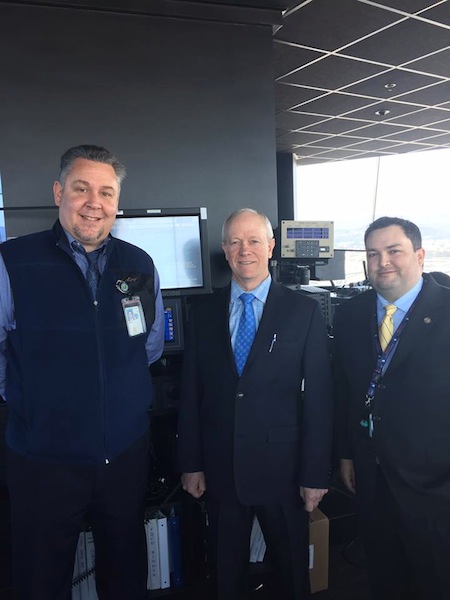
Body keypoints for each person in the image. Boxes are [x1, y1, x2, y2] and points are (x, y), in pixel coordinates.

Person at [0, 144, 165, 599]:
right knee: (41, 577)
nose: (95, 202)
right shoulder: (12, 262)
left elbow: (148, 347)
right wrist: (29, 399)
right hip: (44, 461)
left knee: (125, 571)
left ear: (117, 203)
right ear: (59, 192)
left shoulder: (139, 264)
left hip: (123, 456)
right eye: (81, 188)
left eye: (106, 192)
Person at [177, 208, 333, 600]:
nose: (243, 249)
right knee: (225, 576)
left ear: (271, 248)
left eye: (253, 241)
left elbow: (318, 397)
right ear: (225, 251)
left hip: (283, 470)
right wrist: (191, 462)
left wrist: (315, 474)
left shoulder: (303, 312)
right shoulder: (203, 313)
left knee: (293, 573)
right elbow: (192, 393)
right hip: (220, 468)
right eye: (234, 241)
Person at [333, 216, 450, 600]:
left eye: (394, 251)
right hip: (372, 479)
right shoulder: (350, 315)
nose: (383, 261)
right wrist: (348, 454)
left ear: (419, 254)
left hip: (435, 488)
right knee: (385, 580)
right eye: (373, 253)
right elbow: (348, 392)